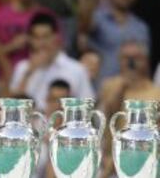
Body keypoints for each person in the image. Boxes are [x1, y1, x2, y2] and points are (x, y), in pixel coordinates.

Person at [99, 40, 160, 178]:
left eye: (136, 58)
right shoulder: (110, 86)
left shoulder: (157, 93)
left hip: (144, 163)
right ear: (119, 60)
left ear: (145, 60)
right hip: (109, 162)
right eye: (126, 58)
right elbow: (107, 115)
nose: (131, 63)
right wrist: (122, 87)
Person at [10, 13, 94, 109]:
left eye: (46, 37)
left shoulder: (76, 69)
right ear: (30, 40)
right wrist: (29, 72)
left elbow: (87, 107)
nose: (41, 43)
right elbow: (13, 106)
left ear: (56, 37)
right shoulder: (22, 67)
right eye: (36, 37)